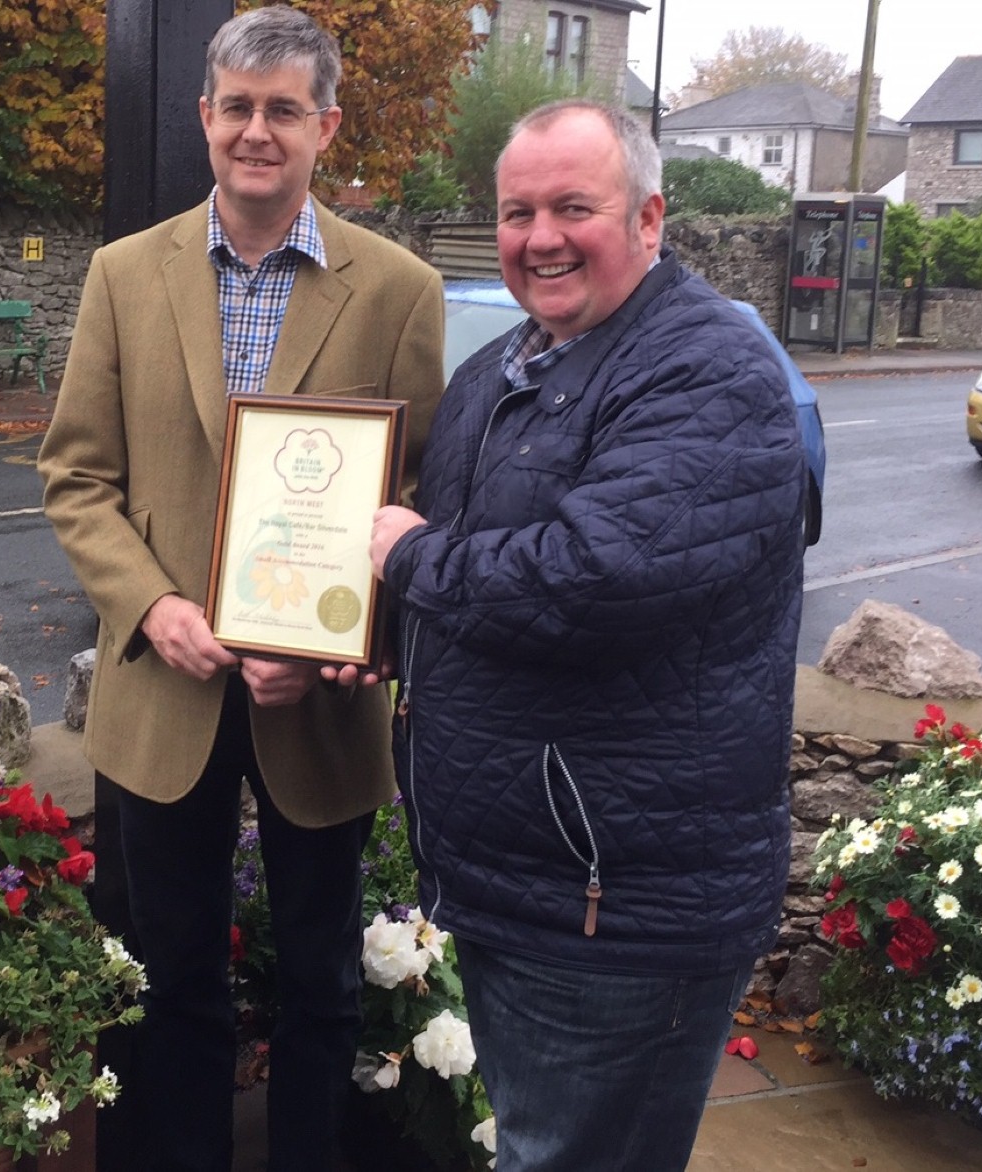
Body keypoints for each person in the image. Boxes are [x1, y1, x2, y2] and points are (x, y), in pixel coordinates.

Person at [37, 7, 444, 1170]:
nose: (256, 131)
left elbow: (414, 503)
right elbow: (77, 476)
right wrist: (151, 606)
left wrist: (330, 642)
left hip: (311, 699)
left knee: (320, 983)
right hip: (163, 690)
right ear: (205, 117)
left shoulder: (399, 290)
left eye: (283, 110)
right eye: (236, 107)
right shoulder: (125, 274)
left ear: (324, 126)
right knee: (169, 983)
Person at [368, 99, 805, 1171]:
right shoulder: (501, 375)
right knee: (536, 1142)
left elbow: (591, 580)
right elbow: (470, 565)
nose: (541, 236)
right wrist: (361, 632)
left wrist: (407, 561)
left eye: (576, 206)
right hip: (533, 883)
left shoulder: (707, 372)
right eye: (519, 211)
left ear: (650, 219)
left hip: (619, 903)